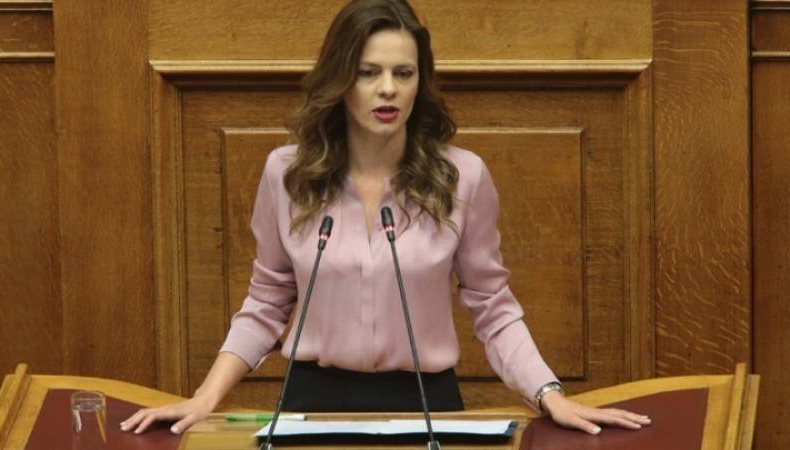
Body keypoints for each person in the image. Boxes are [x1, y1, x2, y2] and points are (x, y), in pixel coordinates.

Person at [122, 0, 651, 436]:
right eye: (368, 73)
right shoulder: (289, 174)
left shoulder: (460, 178)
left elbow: (492, 305)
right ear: (341, 80)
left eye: (404, 73)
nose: (388, 89)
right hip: (312, 402)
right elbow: (267, 300)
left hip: (426, 402)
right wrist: (204, 398)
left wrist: (549, 394)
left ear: (421, 81)